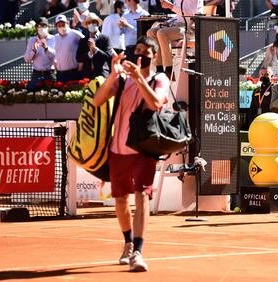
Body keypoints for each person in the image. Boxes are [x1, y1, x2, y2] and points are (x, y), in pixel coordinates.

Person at [93, 36, 170, 272]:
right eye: (137, 49)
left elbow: (156, 103)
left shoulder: (160, 78)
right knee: (120, 198)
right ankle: (127, 242)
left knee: (141, 195)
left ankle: (138, 250)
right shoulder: (123, 81)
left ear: (154, 56)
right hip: (118, 148)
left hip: (145, 147)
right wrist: (113, 75)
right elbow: (97, 100)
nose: (140, 54)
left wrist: (139, 79)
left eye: (146, 51)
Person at [146, 0, 203, 78]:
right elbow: (178, 17)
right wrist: (169, 22)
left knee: (162, 33)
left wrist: (171, 6)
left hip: (191, 28)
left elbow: (191, 15)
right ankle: (159, 68)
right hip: (178, 26)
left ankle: (169, 70)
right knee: (151, 32)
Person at [76, 12, 114, 79]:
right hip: (87, 75)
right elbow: (78, 58)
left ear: (97, 23)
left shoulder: (105, 38)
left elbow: (109, 57)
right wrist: (89, 53)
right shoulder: (83, 41)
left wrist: (96, 49)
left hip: (102, 74)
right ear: (87, 25)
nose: (91, 24)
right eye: (89, 23)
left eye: (93, 22)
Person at [24, 17, 56, 91]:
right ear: (36, 28)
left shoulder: (54, 38)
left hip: (50, 73)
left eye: (44, 26)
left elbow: (56, 56)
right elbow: (26, 59)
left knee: (52, 96)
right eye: (39, 26)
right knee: (31, 94)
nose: (42, 28)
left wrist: (46, 48)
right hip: (36, 74)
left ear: (48, 27)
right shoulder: (32, 40)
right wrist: (33, 51)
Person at [54, 14, 85, 82]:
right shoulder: (55, 38)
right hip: (60, 74)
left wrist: (81, 64)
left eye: (63, 24)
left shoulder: (75, 34)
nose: (62, 27)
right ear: (56, 26)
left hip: (73, 72)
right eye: (59, 25)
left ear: (67, 23)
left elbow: (85, 44)